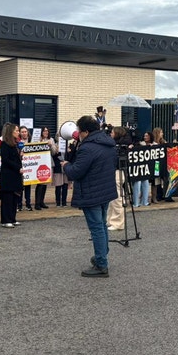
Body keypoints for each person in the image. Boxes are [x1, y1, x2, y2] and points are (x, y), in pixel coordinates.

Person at [61, 115, 118, 277]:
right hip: (105, 190)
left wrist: (66, 166)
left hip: (91, 191)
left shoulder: (88, 148)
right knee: (101, 224)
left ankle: (101, 264)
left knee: (96, 228)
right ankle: (102, 255)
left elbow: (76, 172)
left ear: (86, 131)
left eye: (79, 131)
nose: (78, 133)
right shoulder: (107, 143)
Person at [106, 126, 133, 231]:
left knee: (117, 197)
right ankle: (111, 220)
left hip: (118, 171)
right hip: (115, 170)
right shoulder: (115, 144)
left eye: (112, 132)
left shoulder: (121, 146)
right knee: (112, 198)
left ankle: (118, 223)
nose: (110, 134)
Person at [0, 123, 24, 228]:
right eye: (16, 130)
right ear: (11, 132)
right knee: (7, 199)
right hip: (8, 175)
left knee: (14, 198)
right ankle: (6, 220)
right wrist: (17, 167)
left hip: (15, 175)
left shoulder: (15, 144)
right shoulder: (5, 144)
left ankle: (13, 218)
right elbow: (6, 160)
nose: (18, 132)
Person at [34, 127, 54, 210]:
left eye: (47, 130)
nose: (46, 132)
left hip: (48, 162)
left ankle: (42, 201)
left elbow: (54, 152)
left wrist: (51, 145)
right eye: (44, 131)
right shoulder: (37, 139)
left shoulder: (51, 140)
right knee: (40, 183)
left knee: (45, 183)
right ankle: (37, 203)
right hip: (40, 163)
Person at [132, 131, 153, 207]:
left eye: (147, 136)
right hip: (139, 168)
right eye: (144, 136)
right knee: (138, 183)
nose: (145, 137)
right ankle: (136, 202)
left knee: (145, 183)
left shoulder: (153, 145)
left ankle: (145, 201)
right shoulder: (140, 144)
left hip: (147, 167)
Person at [17, 126, 33, 211]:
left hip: (30, 166)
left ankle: (28, 204)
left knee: (28, 186)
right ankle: (19, 204)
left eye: (25, 131)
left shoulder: (31, 141)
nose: (24, 133)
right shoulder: (17, 142)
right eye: (22, 132)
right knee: (20, 187)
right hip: (21, 166)